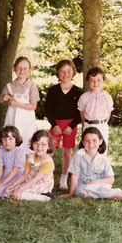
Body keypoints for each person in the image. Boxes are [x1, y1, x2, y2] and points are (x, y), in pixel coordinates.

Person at [62, 127, 122, 203]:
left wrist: (94, 182)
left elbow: (111, 179)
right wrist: (70, 193)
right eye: (87, 141)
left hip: (100, 185)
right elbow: (75, 175)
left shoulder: (103, 159)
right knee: (79, 191)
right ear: (83, 142)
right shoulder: (78, 155)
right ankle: (104, 195)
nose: (91, 144)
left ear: (100, 141)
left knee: (101, 190)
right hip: (83, 187)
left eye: (94, 140)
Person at [45, 59, 83, 190]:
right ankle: (45, 175)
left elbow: (80, 113)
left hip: (70, 126)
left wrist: (71, 126)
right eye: (62, 71)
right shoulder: (53, 90)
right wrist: (54, 125)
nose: (65, 74)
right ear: (58, 73)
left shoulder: (78, 92)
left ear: (73, 72)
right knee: (49, 150)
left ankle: (63, 178)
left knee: (67, 152)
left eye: (68, 71)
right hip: (55, 125)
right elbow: (48, 110)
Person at [0, 56, 39, 147]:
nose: (22, 70)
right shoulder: (9, 86)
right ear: (15, 69)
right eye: (19, 68)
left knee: (27, 141)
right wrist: (3, 97)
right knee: (12, 140)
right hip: (12, 118)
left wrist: (17, 104)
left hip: (27, 120)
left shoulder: (32, 86)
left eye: (25, 68)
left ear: (29, 70)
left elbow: (33, 106)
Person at [4, 130, 55, 202]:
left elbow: (36, 179)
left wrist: (20, 190)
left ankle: (45, 197)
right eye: (36, 144)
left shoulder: (48, 162)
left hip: (41, 187)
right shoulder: (30, 157)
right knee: (8, 190)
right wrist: (12, 185)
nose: (39, 147)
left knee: (20, 193)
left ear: (49, 146)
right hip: (29, 182)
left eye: (43, 144)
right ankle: (19, 194)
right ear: (32, 144)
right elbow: (24, 175)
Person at [0, 126, 29, 198]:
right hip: (6, 174)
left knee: (5, 188)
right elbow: (0, 167)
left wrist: (1, 184)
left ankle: (5, 189)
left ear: (16, 140)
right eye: (4, 139)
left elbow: (15, 170)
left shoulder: (20, 151)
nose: (7, 142)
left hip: (17, 175)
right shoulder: (1, 150)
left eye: (10, 139)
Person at [78, 67, 113, 150]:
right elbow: (82, 112)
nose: (95, 83)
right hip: (88, 125)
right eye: (92, 80)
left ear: (103, 81)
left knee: (102, 148)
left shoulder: (107, 97)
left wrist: (102, 122)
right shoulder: (84, 97)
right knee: (88, 147)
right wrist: (86, 124)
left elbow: (108, 112)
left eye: (98, 80)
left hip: (102, 126)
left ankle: (101, 162)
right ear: (87, 82)